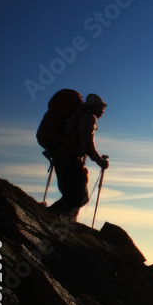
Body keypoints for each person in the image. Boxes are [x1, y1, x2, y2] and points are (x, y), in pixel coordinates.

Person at [48, 92, 110, 220]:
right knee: (79, 197)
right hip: (70, 159)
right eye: (101, 108)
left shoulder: (75, 115)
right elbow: (86, 141)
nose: (102, 112)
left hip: (61, 157)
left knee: (71, 195)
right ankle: (51, 217)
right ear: (95, 107)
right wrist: (98, 159)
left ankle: (61, 219)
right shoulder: (88, 117)